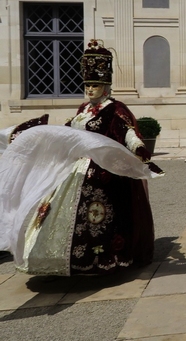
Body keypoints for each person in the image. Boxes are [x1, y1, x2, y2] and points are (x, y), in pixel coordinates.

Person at [2, 39, 162, 276]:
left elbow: (127, 132)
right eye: (87, 85)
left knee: (97, 215)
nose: (89, 90)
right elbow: (69, 132)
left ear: (105, 87)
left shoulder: (116, 109)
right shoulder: (82, 110)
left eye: (94, 86)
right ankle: (55, 259)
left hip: (102, 170)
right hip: (75, 168)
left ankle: (102, 258)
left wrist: (139, 148)